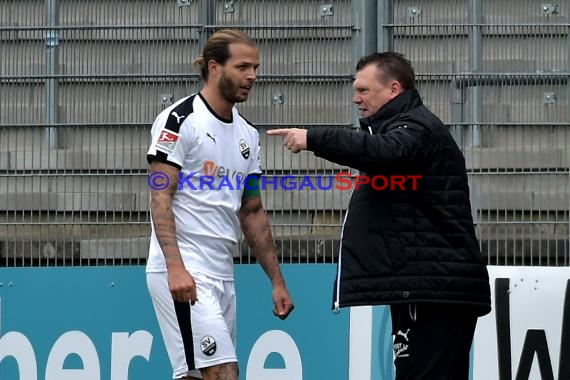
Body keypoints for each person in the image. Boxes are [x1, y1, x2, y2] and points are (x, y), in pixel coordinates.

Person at [268, 52, 491, 380]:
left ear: (393, 89)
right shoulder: (404, 127)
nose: (356, 98)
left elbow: (384, 153)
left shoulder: (416, 127)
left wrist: (314, 138)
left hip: (434, 291)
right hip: (426, 287)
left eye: (364, 90)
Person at [146, 29, 294, 380]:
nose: (252, 76)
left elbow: (252, 210)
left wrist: (277, 280)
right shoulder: (180, 121)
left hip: (222, 274)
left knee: (197, 375)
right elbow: (160, 196)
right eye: (243, 66)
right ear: (214, 67)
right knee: (224, 372)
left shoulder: (248, 135)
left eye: (255, 68)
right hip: (185, 270)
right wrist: (175, 268)